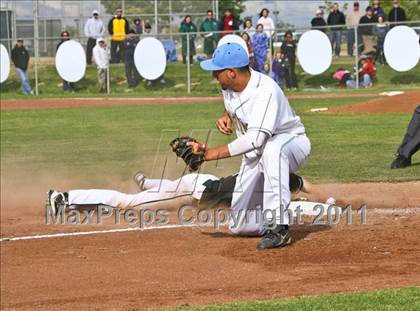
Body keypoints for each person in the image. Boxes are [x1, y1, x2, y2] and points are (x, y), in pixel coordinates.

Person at [197, 42, 311, 249]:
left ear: (231, 72)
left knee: (272, 150)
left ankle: (278, 227)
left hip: (290, 141)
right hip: (255, 155)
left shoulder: (265, 91)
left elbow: (255, 140)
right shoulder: (230, 86)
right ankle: (276, 209)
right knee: (238, 226)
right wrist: (227, 116)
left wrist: (210, 154)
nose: (214, 76)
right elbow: (234, 104)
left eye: (217, 71)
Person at [48, 170, 335, 218]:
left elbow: (307, 187)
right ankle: (66, 198)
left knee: (171, 185)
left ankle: (148, 181)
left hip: (202, 181)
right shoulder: (279, 179)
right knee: (128, 204)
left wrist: (332, 200)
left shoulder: (273, 169)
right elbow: (302, 192)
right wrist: (321, 202)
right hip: (197, 192)